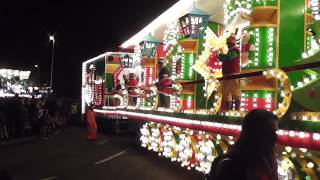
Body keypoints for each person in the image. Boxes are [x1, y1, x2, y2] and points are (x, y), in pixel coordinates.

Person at [207, 109, 279, 180]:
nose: (275, 139)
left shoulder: (268, 162)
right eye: (269, 133)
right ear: (253, 134)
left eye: (275, 133)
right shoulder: (231, 167)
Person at [217, 34, 241, 111]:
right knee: (226, 93)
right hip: (226, 74)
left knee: (235, 92)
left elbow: (229, 58)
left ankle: (237, 110)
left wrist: (219, 56)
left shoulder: (235, 49)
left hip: (233, 74)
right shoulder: (230, 50)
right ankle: (228, 110)